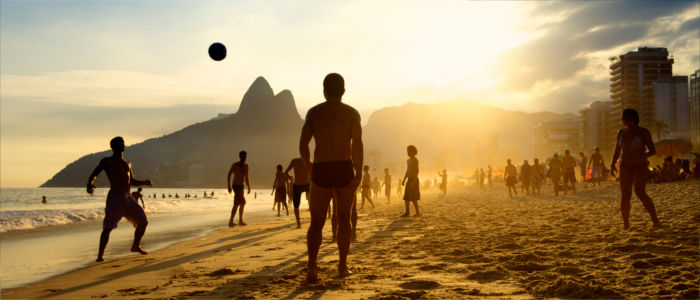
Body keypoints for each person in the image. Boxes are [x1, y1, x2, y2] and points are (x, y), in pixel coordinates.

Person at [300, 73, 363, 282]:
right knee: (344, 219)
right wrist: (359, 171)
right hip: (344, 167)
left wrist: (309, 165)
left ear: (324, 91)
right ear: (343, 91)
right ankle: (342, 266)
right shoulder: (352, 114)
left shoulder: (314, 113)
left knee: (316, 221)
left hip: (322, 168)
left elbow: (303, 144)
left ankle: (312, 268)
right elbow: (358, 144)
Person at [86, 136, 151, 262]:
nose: (123, 144)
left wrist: (145, 182)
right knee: (108, 228)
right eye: (120, 143)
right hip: (115, 197)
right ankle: (100, 256)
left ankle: (135, 246)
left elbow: (131, 181)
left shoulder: (127, 164)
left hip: (128, 197)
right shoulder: (107, 161)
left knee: (143, 222)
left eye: (123, 143)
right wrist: (90, 183)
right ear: (113, 147)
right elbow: (95, 173)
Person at [610, 109, 661, 229]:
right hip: (625, 166)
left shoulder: (643, 132)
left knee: (640, 192)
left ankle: (655, 220)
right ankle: (626, 224)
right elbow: (617, 151)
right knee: (625, 194)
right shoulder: (621, 133)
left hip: (640, 166)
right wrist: (612, 165)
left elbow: (652, 150)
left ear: (632, 118)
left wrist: (644, 156)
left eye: (624, 118)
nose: (622, 120)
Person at [227, 151, 251, 227]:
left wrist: (249, 186)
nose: (244, 158)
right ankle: (232, 221)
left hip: (241, 186)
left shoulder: (246, 166)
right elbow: (229, 174)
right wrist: (229, 186)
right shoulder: (235, 165)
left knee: (241, 203)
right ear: (240, 156)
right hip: (235, 186)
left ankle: (239, 220)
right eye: (243, 156)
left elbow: (246, 177)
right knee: (239, 203)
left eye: (245, 157)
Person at [285, 157, 310, 228]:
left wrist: (291, 178)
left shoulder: (295, 161)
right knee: (297, 205)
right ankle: (300, 223)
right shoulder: (307, 160)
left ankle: (299, 224)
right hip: (305, 185)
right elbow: (312, 172)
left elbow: (286, 172)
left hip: (298, 184)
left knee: (296, 206)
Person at [401, 145, 421, 217]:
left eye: (408, 151)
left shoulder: (415, 160)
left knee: (413, 197)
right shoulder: (408, 160)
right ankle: (407, 212)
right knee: (407, 197)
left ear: (412, 151)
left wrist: (414, 180)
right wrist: (404, 179)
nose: (407, 152)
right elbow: (407, 170)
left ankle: (417, 212)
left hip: (414, 179)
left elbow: (416, 170)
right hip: (409, 179)